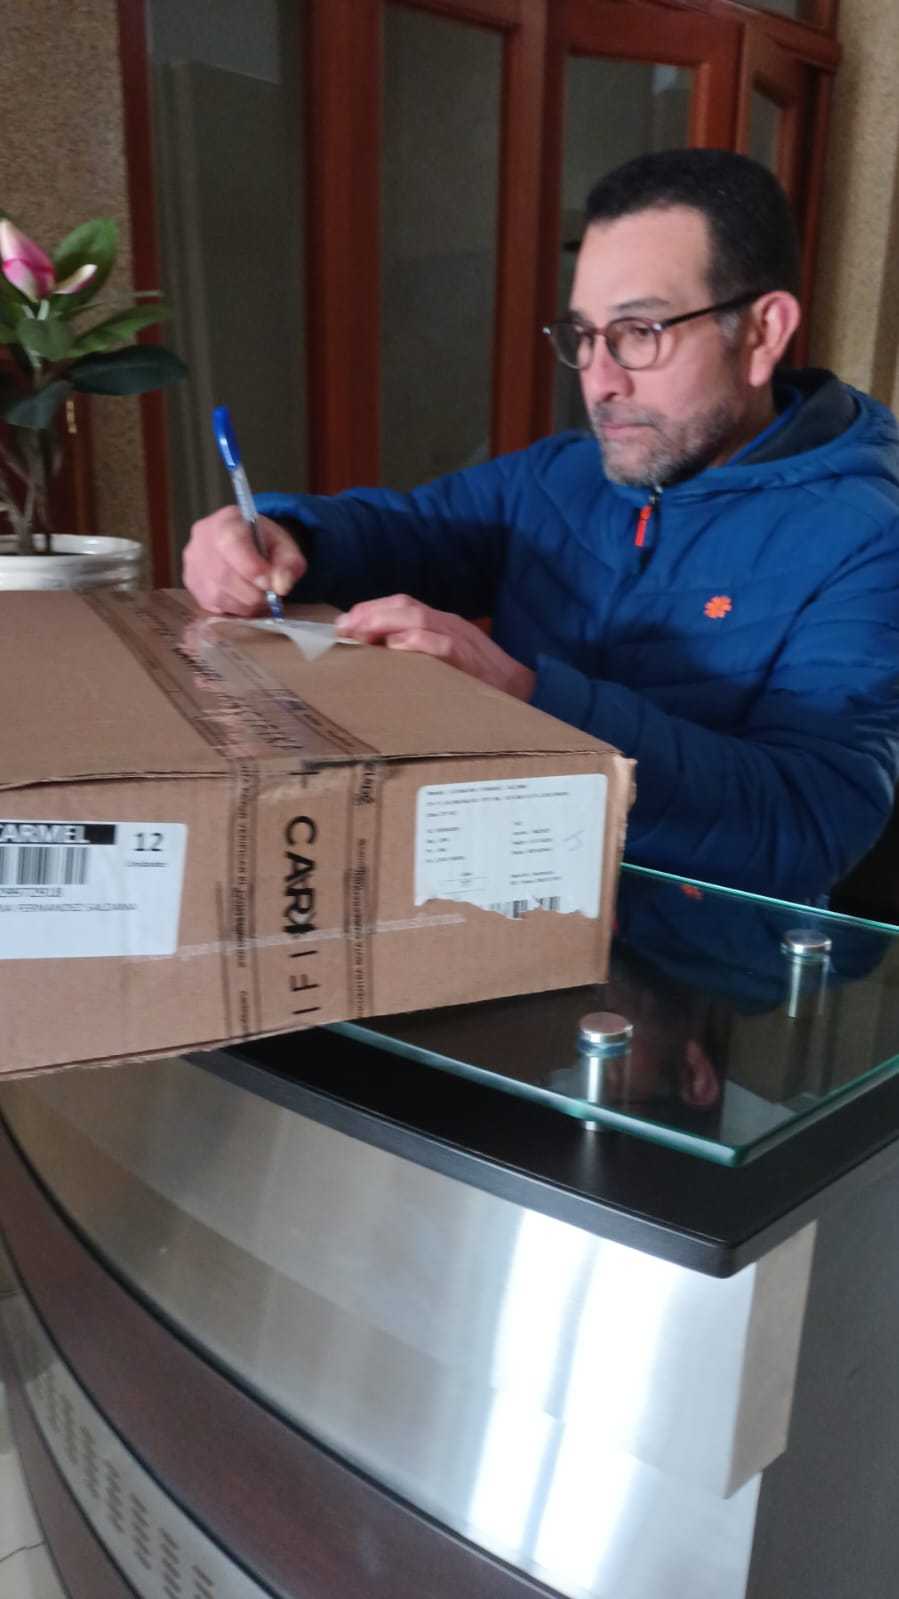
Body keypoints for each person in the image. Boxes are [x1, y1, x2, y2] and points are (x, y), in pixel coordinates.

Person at [183, 148, 899, 903]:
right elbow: (410, 529)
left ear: (761, 332)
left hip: (705, 956)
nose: (600, 381)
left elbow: (809, 824)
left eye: (640, 331)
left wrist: (528, 698)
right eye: (584, 335)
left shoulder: (866, 539)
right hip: (511, 893)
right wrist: (284, 537)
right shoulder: (562, 476)